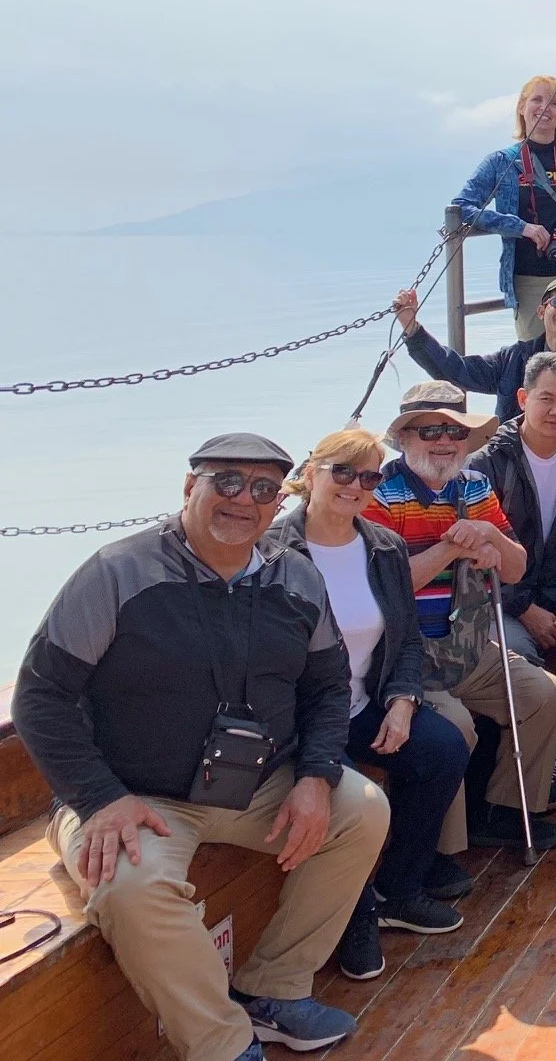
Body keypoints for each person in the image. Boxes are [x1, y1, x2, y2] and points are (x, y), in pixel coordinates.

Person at [14, 433, 389, 1060]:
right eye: (227, 481)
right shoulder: (116, 572)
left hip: (257, 782)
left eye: (265, 489)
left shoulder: (294, 576)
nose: (245, 499)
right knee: (131, 888)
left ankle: (272, 989)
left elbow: (326, 687)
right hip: (131, 794)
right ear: (191, 487)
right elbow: (38, 697)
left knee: (363, 808)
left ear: (278, 504)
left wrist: (317, 776)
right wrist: (100, 799)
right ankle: (223, 1044)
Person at [271, 429, 472, 982]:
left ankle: (399, 890)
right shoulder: (273, 552)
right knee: (352, 796)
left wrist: (403, 702)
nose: (356, 486)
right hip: (299, 720)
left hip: (362, 705)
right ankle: (354, 913)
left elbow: (404, 640)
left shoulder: (381, 548)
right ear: (310, 475)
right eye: (342, 471)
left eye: (370, 476)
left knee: (443, 748)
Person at [365, 384, 556, 855]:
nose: (445, 441)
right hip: (406, 658)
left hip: (466, 644)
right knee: (456, 727)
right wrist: (452, 549)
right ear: (405, 438)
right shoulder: (381, 496)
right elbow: (386, 588)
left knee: (544, 694)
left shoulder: (473, 486)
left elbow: (515, 568)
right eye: (430, 430)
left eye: (455, 430)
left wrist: (487, 536)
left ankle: (502, 810)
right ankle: (443, 853)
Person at [467, 352, 556, 799]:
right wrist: (524, 608)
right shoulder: (486, 465)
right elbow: (475, 561)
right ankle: (514, 787)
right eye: (546, 399)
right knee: (518, 658)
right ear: (522, 397)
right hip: (501, 601)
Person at [454, 73, 556, 342]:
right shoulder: (501, 162)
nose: (545, 108)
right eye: (537, 100)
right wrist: (521, 227)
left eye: (554, 103)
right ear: (522, 107)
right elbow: (461, 208)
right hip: (528, 280)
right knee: (534, 366)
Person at [396, 275, 556, 455]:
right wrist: (412, 328)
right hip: (508, 459)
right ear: (542, 311)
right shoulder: (512, 358)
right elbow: (456, 371)